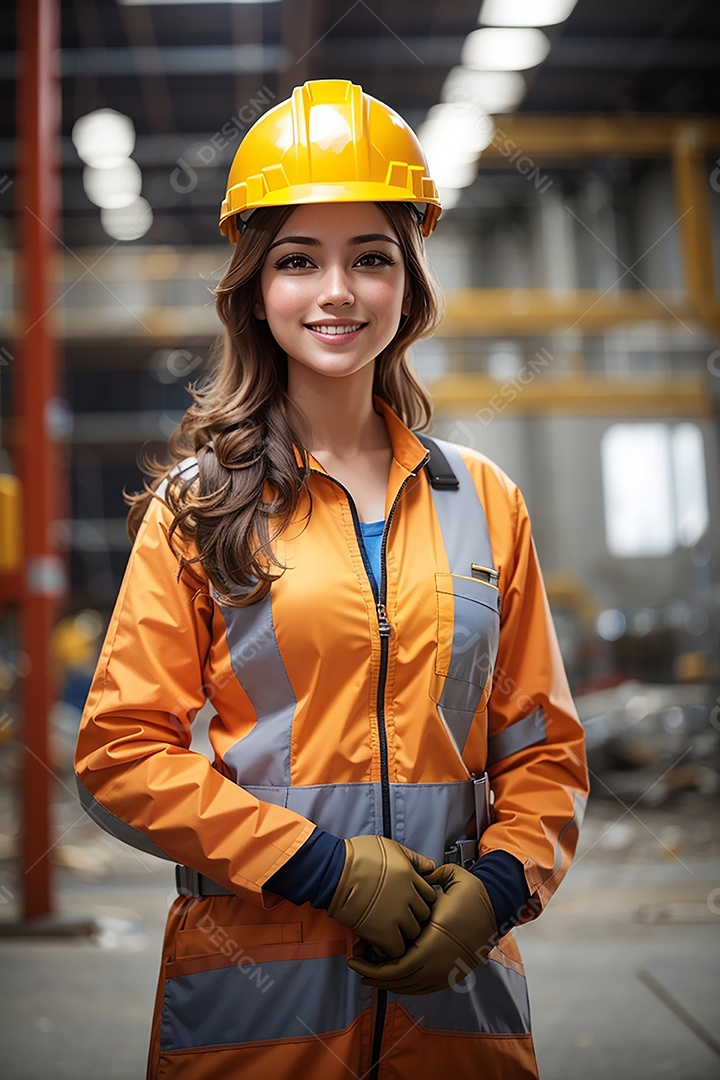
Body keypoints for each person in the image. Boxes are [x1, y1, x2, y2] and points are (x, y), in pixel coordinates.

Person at [74, 79, 588, 1080]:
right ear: (255, 288)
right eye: (299, 260)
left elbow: (547, 755)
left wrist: (495, 887)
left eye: (372, 258)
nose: (338, 291)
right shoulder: (199, 507)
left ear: (410, 284)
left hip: (455, 1011)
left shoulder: (484, 503)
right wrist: (321, 868)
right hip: (255, 1019)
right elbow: (119, 754)